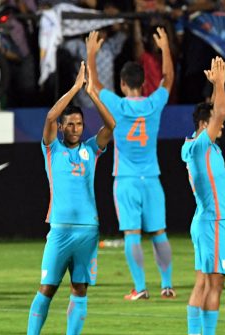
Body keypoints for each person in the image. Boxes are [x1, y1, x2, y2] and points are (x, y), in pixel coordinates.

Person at [23, 61, 115, 335]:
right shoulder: (52, 148)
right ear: (62, 127)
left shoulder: (92, 149)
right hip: (60, 230)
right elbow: (50, 115)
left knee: (80, 287)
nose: (75, 128)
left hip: (88, 230)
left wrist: (93, 94)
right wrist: (75, 88)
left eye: (78, 124)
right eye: (70, 124)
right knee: (47, 287)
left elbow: (111, 126)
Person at [88, 28, 176, 300]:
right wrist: (165, 48)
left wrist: (91, 54)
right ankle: (167, 285)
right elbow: (169, 79)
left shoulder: (117, 104)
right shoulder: (154, 103)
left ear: (123, 84)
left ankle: (140, 288)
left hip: (125, 179)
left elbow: (94, 85)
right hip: (151, 178)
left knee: (132, 233)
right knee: (159, 232)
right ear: (143, 83)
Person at [182, 57, 225, 335]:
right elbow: (220, 113)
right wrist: (219, 85)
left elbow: (218, 115)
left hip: (206, 221)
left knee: (203, 281)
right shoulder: (200, 145)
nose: (221, 126)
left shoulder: (201, 146)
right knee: (215, 283)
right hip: (213, 222)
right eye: (216, 124)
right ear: (204, 125)